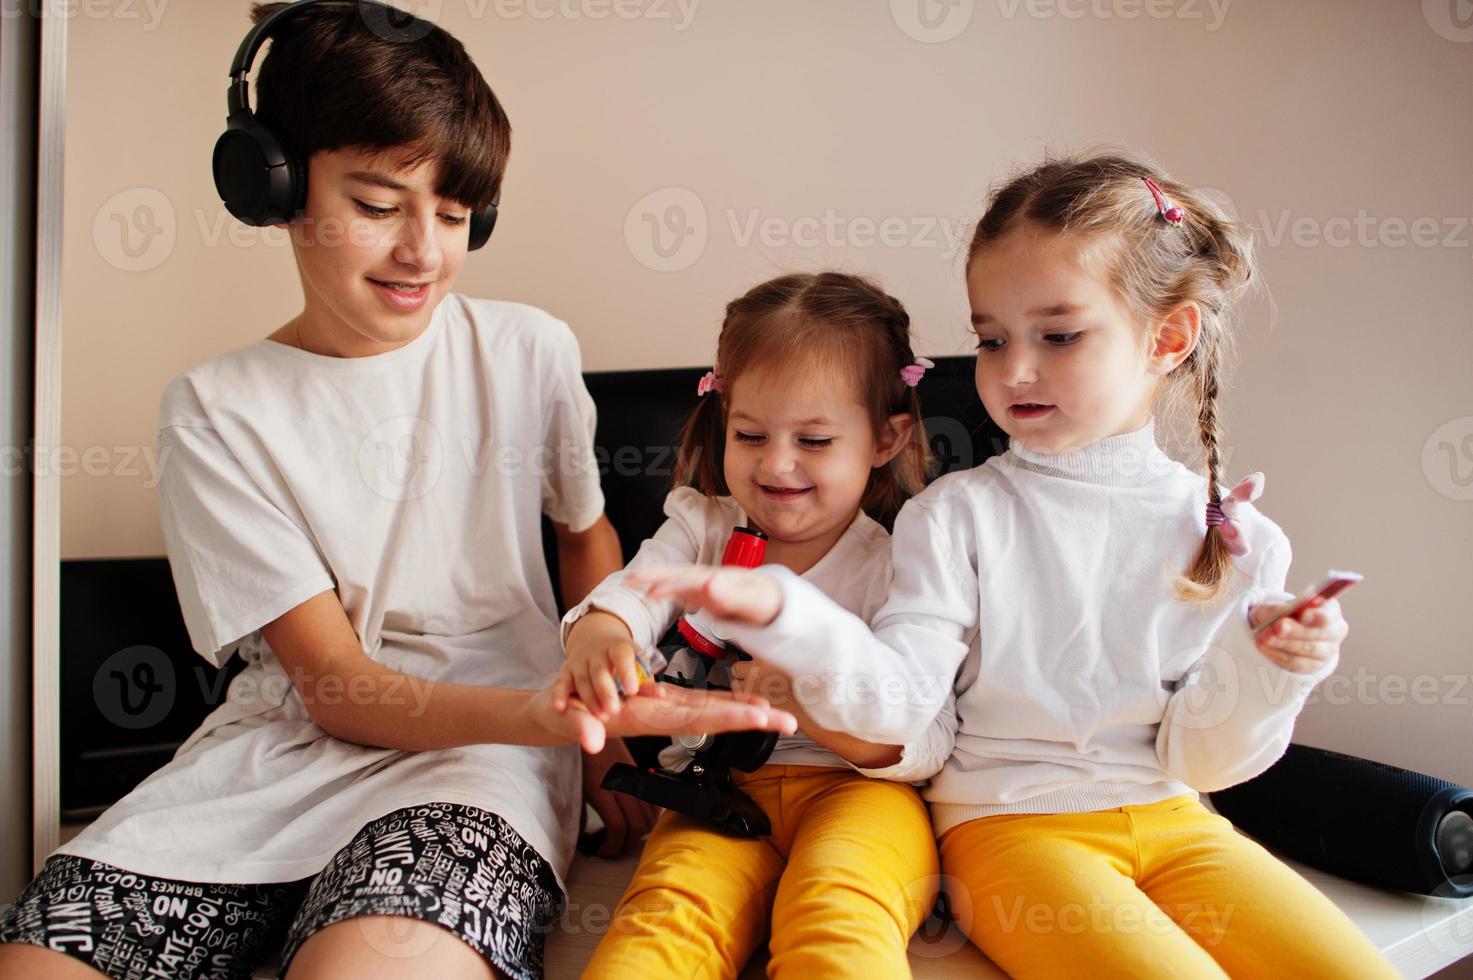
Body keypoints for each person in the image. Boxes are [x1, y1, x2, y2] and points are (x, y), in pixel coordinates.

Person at [0, 5, 790, 979]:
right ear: (273, 184)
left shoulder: (529, 350)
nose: (424, 249)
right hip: (284, 749)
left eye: (454, 216)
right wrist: (548, 718)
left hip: (485, 756)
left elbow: (586, 545)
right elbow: (337, 684)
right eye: (379, 206)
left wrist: (592, 744)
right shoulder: (214, 408)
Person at [630, 154, 1400, 978]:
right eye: (990, 339)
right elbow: (895, 709)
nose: (1011, 369)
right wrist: (786, 611)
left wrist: (1270, 669)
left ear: (1167, 338)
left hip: (1177, 820)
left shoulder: (1232, 533)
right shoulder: (955, 516)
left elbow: (1202, 763)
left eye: (1056, 335)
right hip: (1005, 826)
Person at [554, 272, 941, 978]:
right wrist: (603, 632)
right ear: (722, 415)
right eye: (750, 433)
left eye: (815, 440)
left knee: (839, 918)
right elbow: (633, 592)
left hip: (862, 796)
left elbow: (921, 738)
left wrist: (811, 709)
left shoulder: (900, 564)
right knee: (663, 923)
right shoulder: (698, 526)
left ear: (885, 439)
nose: (776, 464)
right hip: (715, 793)